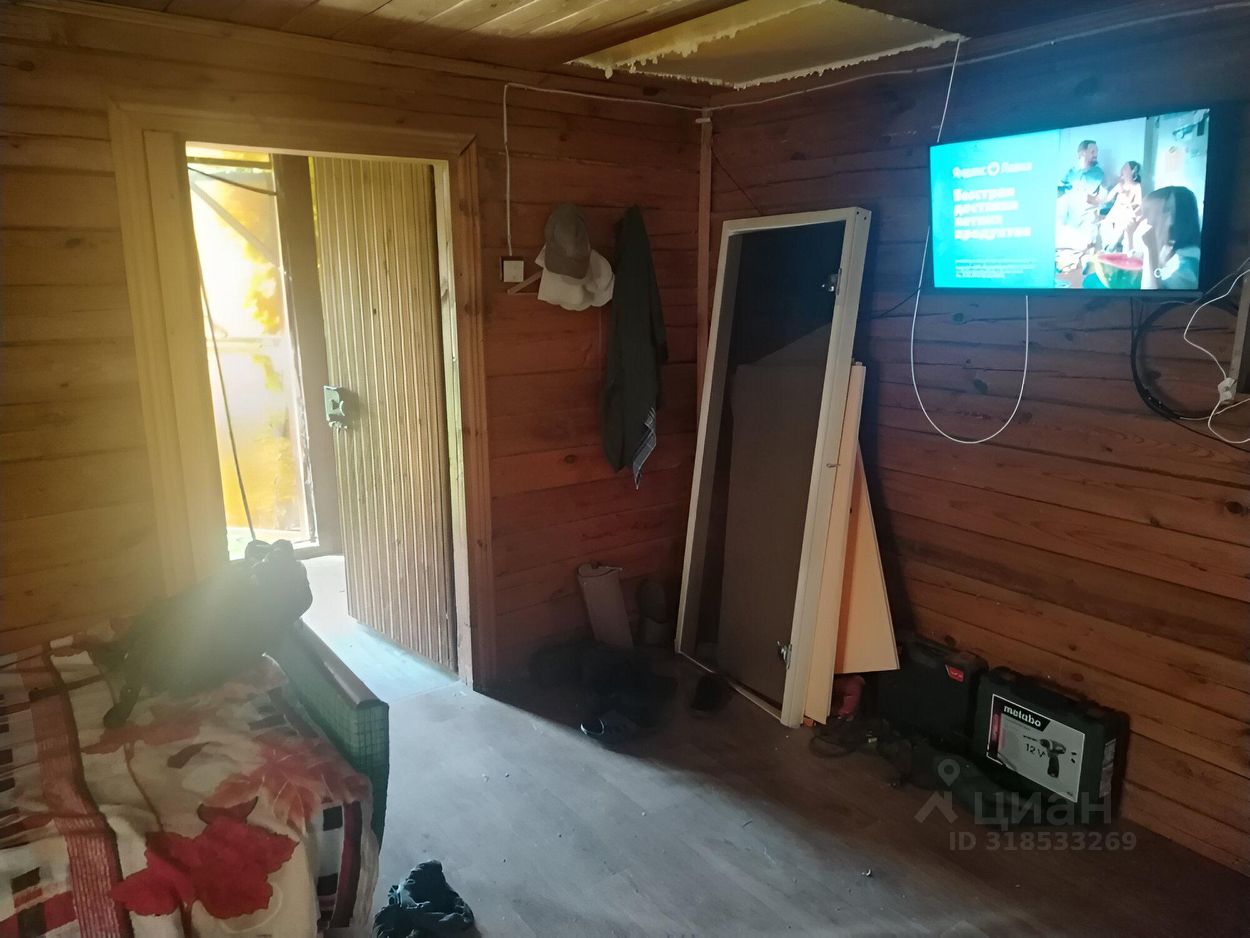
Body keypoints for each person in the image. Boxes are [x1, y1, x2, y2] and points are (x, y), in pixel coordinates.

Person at [1134, 185, 1202, 290]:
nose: (1146, 221)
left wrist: (1151, 251)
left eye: (1149, 214)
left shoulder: (1186, 266)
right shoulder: (1168, 249)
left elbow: (1151, 296)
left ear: (1170, 218)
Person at [1057, 140, 1106, 249]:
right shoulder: (1071, 172)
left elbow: (1096, 199)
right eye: (1092, 152)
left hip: (1086, 218)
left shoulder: (1097, 173)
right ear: (1082, 153)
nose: (1096, 155)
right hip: (1069, 218)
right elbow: (1060, 191)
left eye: (1096, 152)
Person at [1097, 160, 1144, 252]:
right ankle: (1107, 248)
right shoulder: (1120, 185)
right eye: (1123, 168)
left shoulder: (1136, 186)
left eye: (1125, 168)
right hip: (1115, 212)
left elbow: (1138, 204)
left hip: (1127, 213)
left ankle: (1110, 249)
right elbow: (1107, 198)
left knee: (1121, 226)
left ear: (1132, 172)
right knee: (1104, 225)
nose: (1123, 170)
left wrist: (1127, 199)